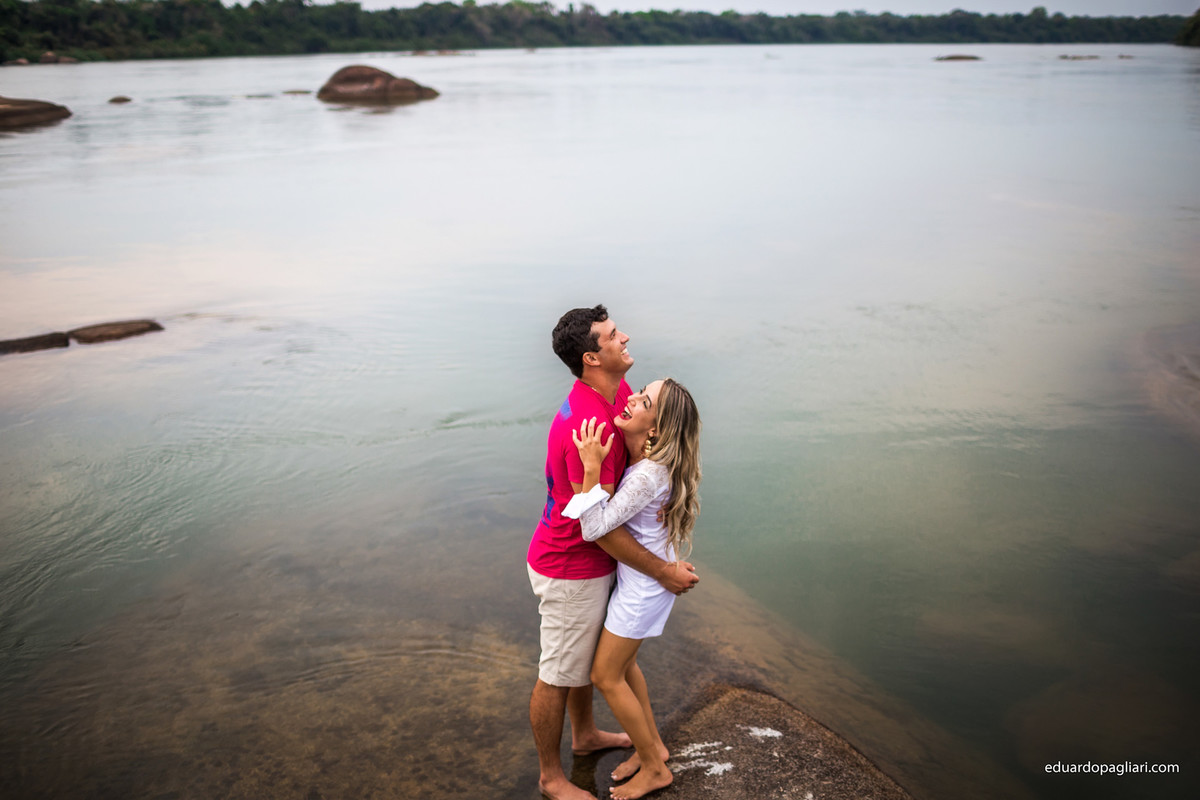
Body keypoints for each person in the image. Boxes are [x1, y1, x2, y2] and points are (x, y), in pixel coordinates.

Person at [528, 306, 700, 800]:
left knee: (590, 660)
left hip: (596, 564)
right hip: (572, 566)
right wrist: (664, 571)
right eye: (611, 336)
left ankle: (585, 738)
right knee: (558, 674)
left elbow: (650, 455)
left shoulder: (616, 394)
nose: (625, 337)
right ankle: (551, 778)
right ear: (591, 357)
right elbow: (597, 531)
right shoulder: (594, 427)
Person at [564, 378, 701, 800]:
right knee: (625, 669)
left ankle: (656, 769)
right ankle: (652, 746)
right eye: (639, 390)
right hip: (644, 583)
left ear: (656, 429)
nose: (631, 399)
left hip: (642, 590)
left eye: (644, 401)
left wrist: (589, 468)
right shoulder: (654, 469)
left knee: (604, 675)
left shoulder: (645, 476)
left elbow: (593, 528)